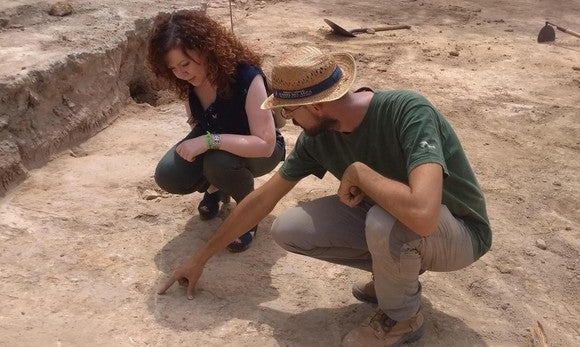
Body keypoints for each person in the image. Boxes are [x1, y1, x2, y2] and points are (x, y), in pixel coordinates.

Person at [157, 46, 492, 346]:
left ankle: (402, 318)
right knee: (289, 229)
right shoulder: (318, 140)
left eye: (288, 112)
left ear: (315, 106)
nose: (288, 122)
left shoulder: (407, 111)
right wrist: (200, 258)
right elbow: (263, 201)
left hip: (459, 233)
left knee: (384, 221)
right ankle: (395, 276)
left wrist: (360, 173)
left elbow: (423, 214)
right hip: (401, 223)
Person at [146, 10, 286, 252]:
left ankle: (248, 212)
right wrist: (203, 142)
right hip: (217, 144)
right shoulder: (188, 81)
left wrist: (210, 142)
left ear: (206, 48)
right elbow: (196, 122)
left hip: (259, 150)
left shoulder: (246, 76)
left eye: (185, 64)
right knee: (168, 174)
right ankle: (216, 187)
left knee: (218, 162)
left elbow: (265, 144)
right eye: (173, 69)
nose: (181, 73)